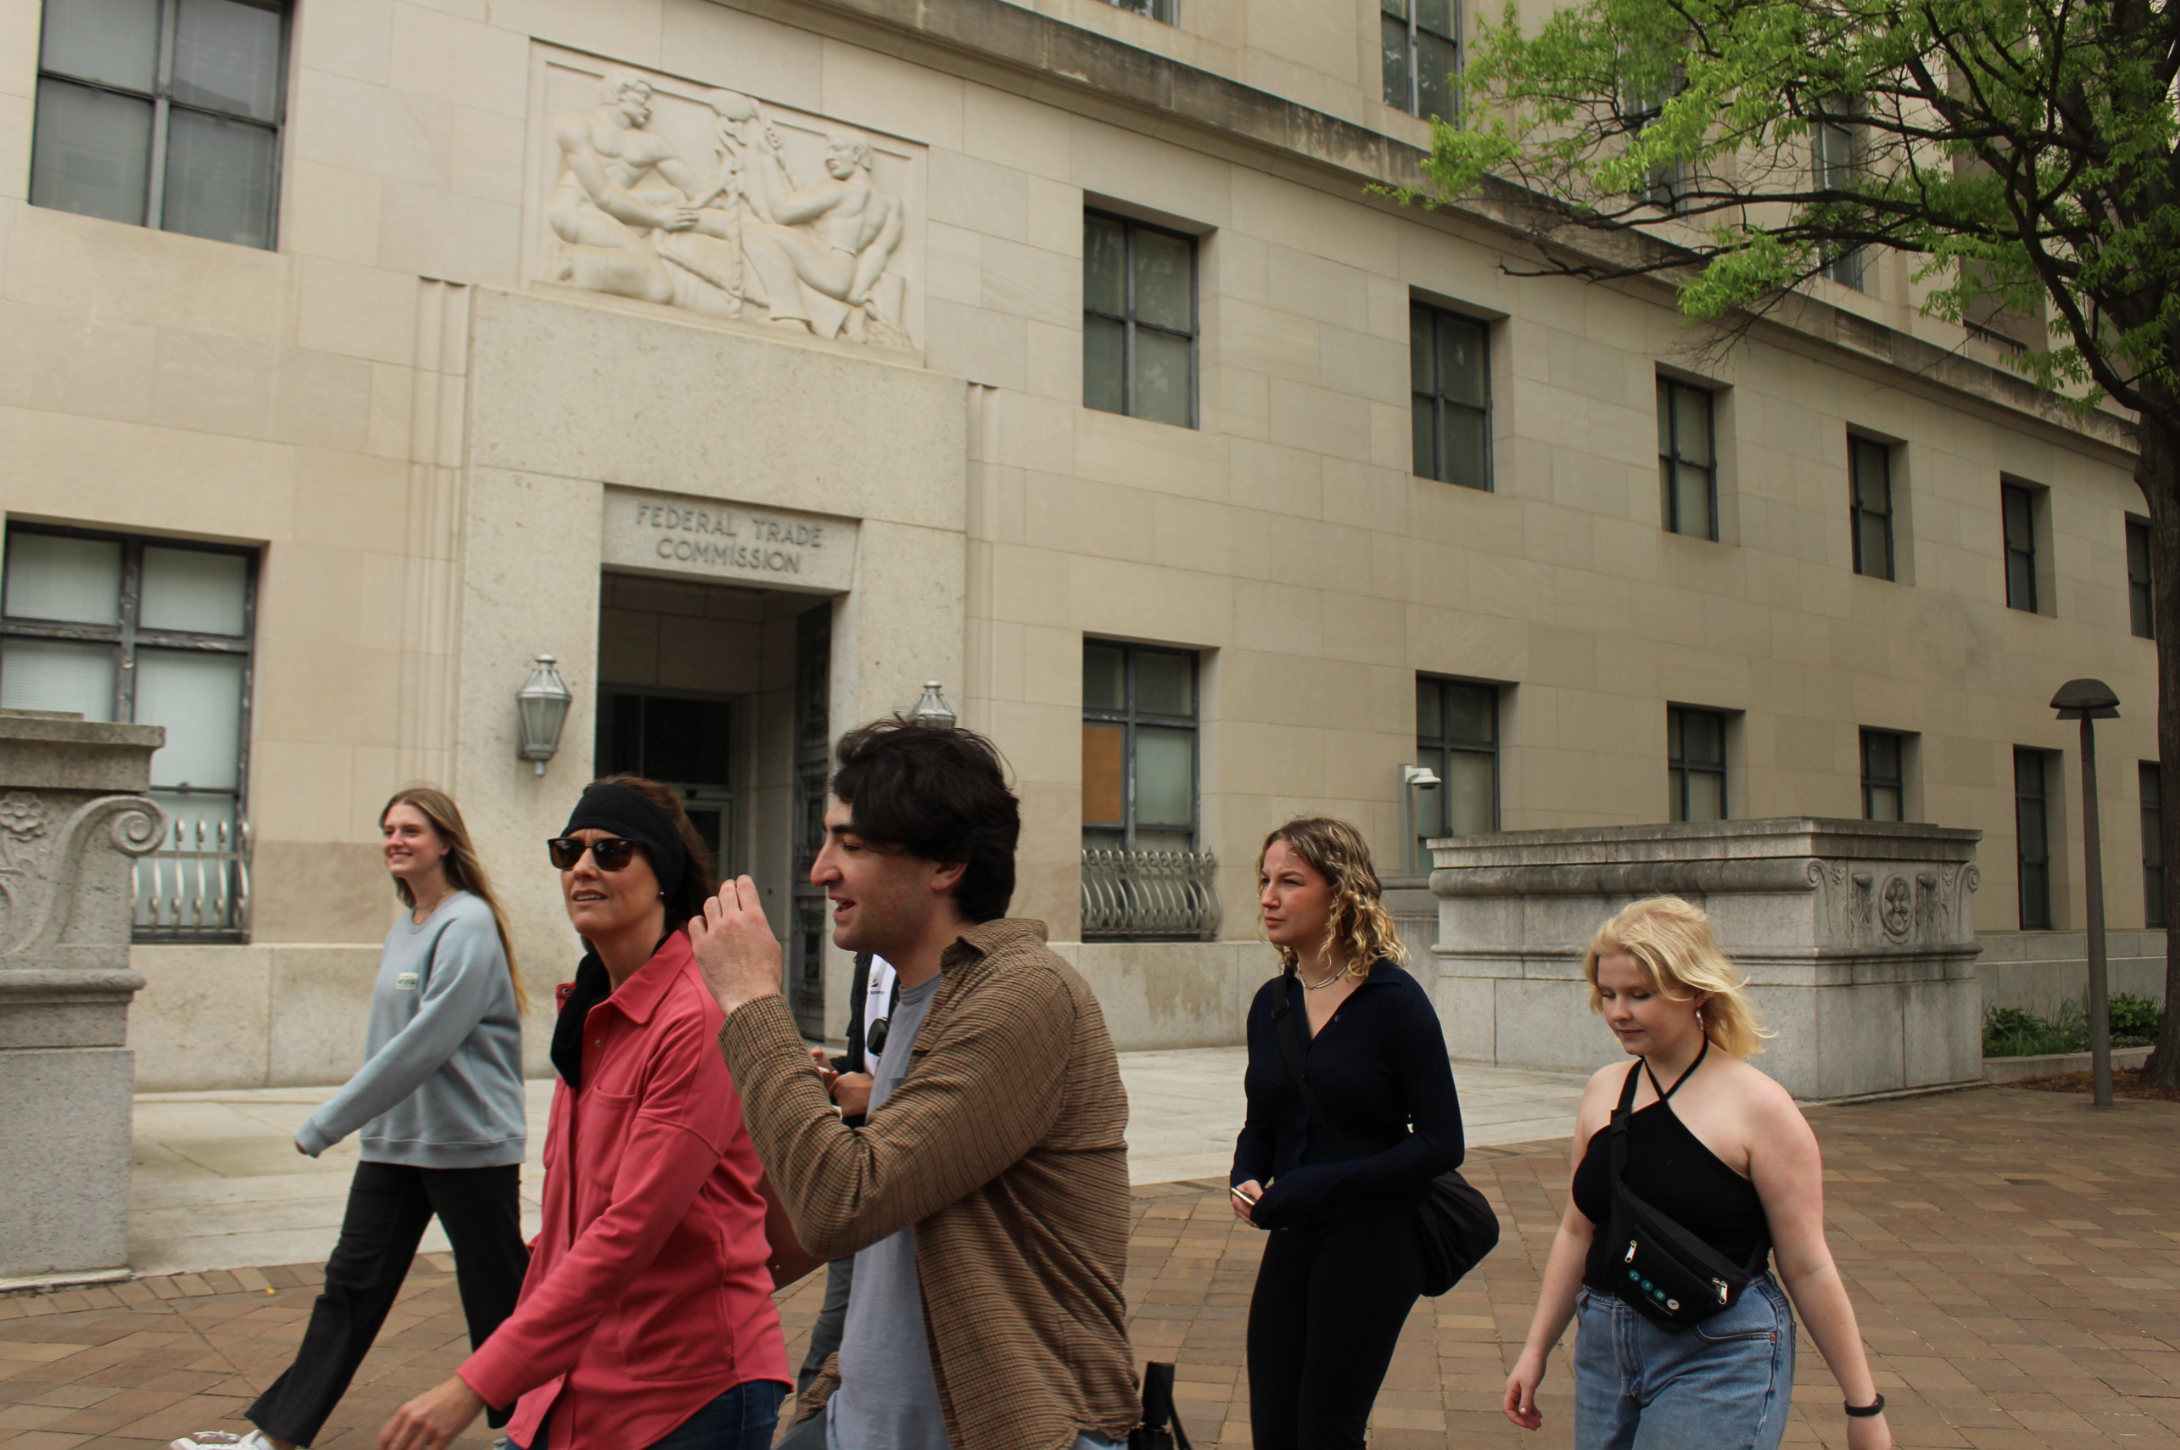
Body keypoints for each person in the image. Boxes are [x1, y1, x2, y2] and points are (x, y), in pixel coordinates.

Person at [687, 717, 1138, 1450]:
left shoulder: (1025, 994)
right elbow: (838, 1229)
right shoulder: (921, 995)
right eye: (828, 838)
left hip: (1013, 1426)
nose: (820, 870)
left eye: (852, 845)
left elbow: (844, 1201)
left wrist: (753, 1004)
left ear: (946, 863)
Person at [376, 775, 794, 1450]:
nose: (583, 868)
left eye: (611, 851)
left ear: (661, 872)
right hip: (568, 1381)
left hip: (685, 1396)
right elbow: (574, 1223)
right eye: (568, 851)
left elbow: (628, 1231)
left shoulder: (695, 1015)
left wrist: (474, 1386)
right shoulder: (589, 1010)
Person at [168, 788, 529, 1450]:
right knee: (349, 1289)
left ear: (445, 842)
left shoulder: (467, 923)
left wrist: (327, 1120)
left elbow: (423, 1044)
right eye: (388, 829)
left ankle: (541, 1430)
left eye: (411, 830)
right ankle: (278, 1437)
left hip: (465, 1145)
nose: (395, 839)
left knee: (498, 1297)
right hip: (395, 1145)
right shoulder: (411, 923)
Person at [1501, 896, 1894, 1450]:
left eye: (1640, 995)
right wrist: (1536, 1349)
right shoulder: (1604, 1090)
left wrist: (1863, 1406)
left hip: (1720, 1349)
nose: (1618, 1012)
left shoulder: (1761, 1107)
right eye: (1608, 994)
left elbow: (1807, 1266)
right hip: (1604, 1352)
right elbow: (1577, 1229)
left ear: (1697, 992)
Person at [1229, 816, 1464, 1450]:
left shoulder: (1394, 1001)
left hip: (1375, 1235)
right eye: (1264, 880)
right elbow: (1262, 1119)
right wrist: (1245, 1173)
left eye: (1290, 882)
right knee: (1274, 1428)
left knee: (1326, 1431)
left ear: (1340, 892)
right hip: (1295, 1228)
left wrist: (1322, 1184)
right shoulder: (1271, 1003)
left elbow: (1442, 1143)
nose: (1268, 897)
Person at [795, 950, 897, 1397]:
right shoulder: (871, 954)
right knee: (828, 1356)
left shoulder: (957, 957)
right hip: (863, 1178)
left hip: (910, 1186)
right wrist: (834, 1074)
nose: (822, 876)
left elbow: (971, 1084)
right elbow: (869, 1059)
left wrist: (879, 1094)